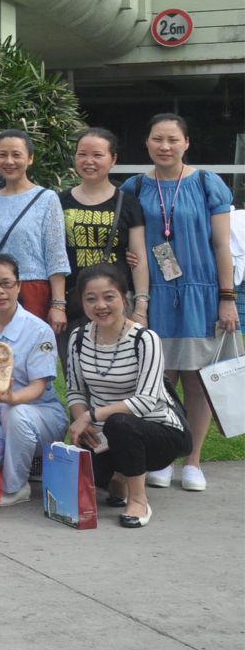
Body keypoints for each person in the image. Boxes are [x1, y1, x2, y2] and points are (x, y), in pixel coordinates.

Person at [122, 113, 237, 491]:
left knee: (198, 379)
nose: (165, 146)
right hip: (154, 293)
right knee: (159, 378)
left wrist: (227, 298)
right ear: (147, 143)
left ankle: (193, 460)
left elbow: (221, 246)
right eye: (158, 139)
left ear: (186, 143)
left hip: (201, 294)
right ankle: (164, 457)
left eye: (173, 139)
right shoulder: (136, 186)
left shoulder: (207, 183)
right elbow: (129, 240)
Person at [65, 264, 190, 528]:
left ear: (124, 297)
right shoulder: (78, 338)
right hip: (103, 432)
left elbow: (145, 401)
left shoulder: (145, 339)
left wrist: (91, 415)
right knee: (92, 478)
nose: (101, 305)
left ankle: (138, 499)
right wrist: (82, 423)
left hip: (156, 430)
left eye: (109, 296)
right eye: (91, 298)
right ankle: (119, 477)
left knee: (120, 424)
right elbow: (75, 390)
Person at [0, 254, 69, 506]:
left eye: (6, 283)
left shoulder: (39, 330)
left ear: (19, 285)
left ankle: (15, 487)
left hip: (39, 414)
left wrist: (11, 398)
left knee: (16, 413)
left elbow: (38, 387)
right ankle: (22, 463)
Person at [0, 129, 70, 330]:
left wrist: (58, 304)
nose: (9, 161)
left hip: (34, 289)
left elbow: (56, 254)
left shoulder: (47, 199)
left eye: (16, 155)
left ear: (30, 158)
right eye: (2, 155)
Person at [60, 128, 148, 329]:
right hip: (74, 300)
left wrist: (141, 307)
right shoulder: (59, 201)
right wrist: (57, 303)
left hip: (116, 300)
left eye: (97, 155)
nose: (88, 161)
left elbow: (139, 258)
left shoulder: (128, 202)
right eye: (82, 154)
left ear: (113, 159)